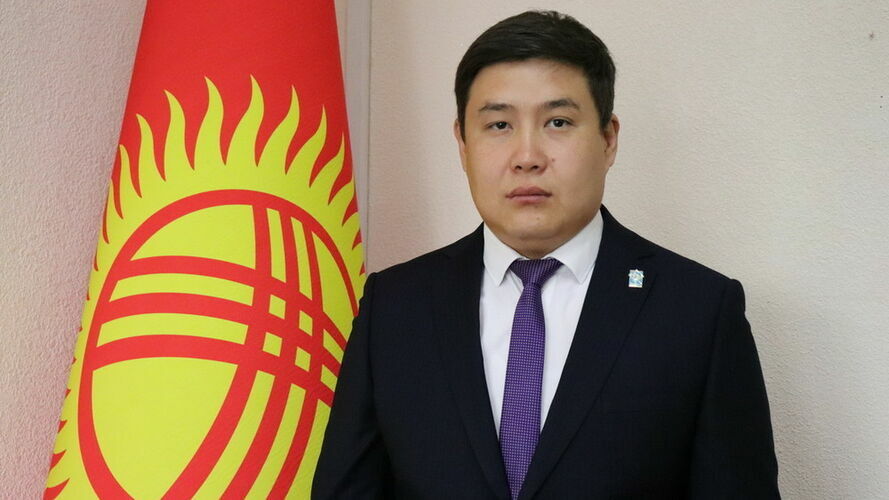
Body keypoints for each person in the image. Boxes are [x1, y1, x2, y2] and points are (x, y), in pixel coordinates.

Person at [313, 10, 779, 499]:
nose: (527, 156)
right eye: (499, 125)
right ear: (463, 144)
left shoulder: (698, 311)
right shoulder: (395, 307)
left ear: (608, 139)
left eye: (558, 122)